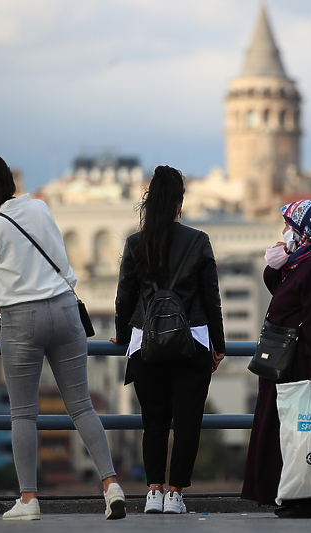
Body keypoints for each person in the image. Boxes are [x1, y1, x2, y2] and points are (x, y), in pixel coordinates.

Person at [0, 151, 126, 520]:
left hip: (21, 318)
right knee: (82, 404)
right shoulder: (40, 208)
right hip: (66, 309)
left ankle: (28, 499)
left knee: (23, 414)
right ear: (8, 182)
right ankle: (111, 484)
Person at [112, 165, 225, 515]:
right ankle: (176, 494)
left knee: (154, 421)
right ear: (179, 203)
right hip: (192, 340)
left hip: (146, 343)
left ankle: (154, 491)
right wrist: (218, 345)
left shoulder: (135, 243)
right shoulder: (198, 241)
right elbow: (211, 297)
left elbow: (124, 297)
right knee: (188, 420)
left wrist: (121, 331)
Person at [241, 199, 311, 519]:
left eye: (289, 226)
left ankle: (305, 498)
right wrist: (279, 261)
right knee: (286, 432)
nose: (285, 231)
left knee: (301, 434)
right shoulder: (303, 261)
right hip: (285, 365)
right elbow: (280, 290)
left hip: (300, 367)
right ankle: (292, 495)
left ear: (304, 229)